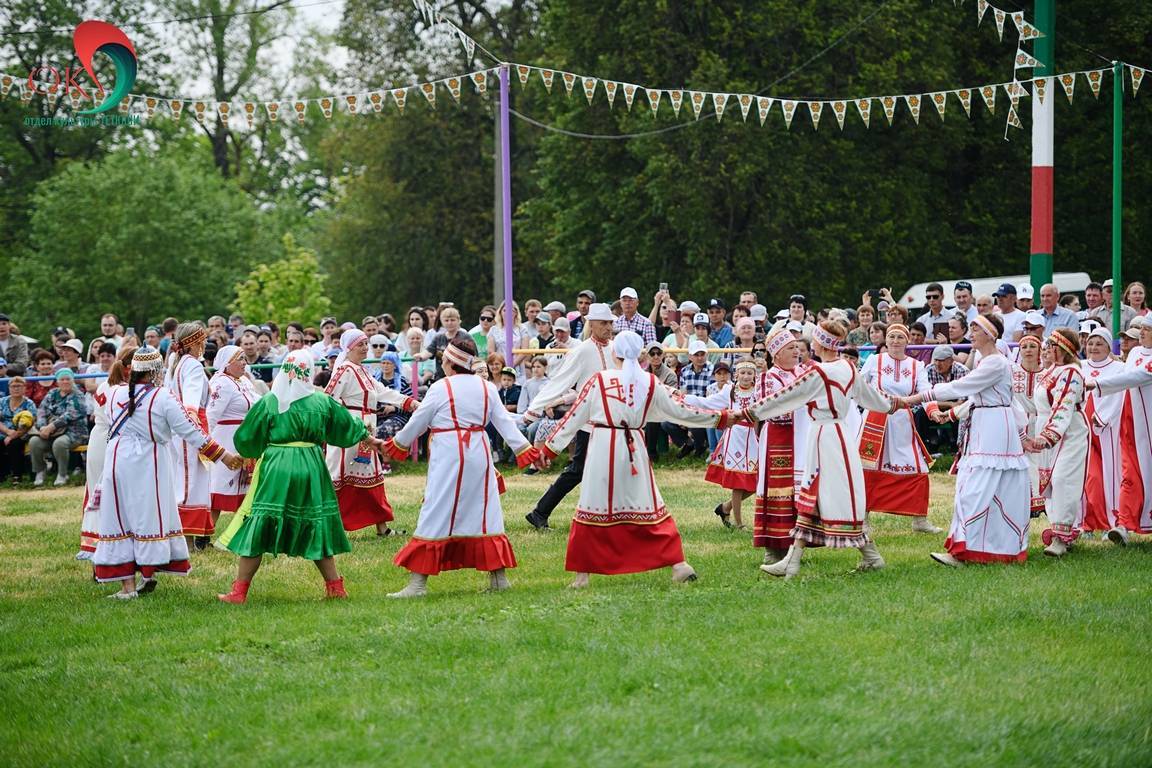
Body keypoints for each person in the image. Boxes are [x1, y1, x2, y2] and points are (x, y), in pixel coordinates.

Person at [535, 331, 734, 588]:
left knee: (594, 505)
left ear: (614, 352)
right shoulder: (649, 381)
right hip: (634, 450)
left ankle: (582, 576)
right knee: (647, 504)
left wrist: (548, 450)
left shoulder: (599, 380)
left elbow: (573, 417)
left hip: (603, 449)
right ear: (639, 353)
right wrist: (720, 418)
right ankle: (679, 565)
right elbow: (682, 409)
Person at [217, 350, 385, 604]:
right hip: (311, 466)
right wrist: (370, 439)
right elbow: (346, 425)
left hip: (278, 466)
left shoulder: (270, 401)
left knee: (261, 521)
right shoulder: (321, 401)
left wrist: (247, 452)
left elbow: (248, 436)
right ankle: (335, 587)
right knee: (315, 521)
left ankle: (239, 592)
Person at [380, 337, 539, 598]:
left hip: (449, 453)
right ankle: (498, 579)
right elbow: (504, 423)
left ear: (452, 363)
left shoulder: (440, 387)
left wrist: (396, 444)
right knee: (485, 510)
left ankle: (417, 585)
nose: (441, 363)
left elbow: (420, 420)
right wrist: (525, 450)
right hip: (478, 451)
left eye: (444, 359)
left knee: (436, 508)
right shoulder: (487, 387)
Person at [748, 321, 899, 579]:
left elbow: (785, 397)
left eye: (813, 340)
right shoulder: (849, 368)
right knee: (820, 495)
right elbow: (873, 399)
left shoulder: (816, 372)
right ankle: (794, 561)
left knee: (823, 494)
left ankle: (869, 556)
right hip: (839, 434)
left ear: (820, 343)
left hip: (822, 435)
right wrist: (897, 404)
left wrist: (749, 411)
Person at [94, 346, 240, 599]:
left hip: (117, 460)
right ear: (156, 372)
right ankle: (148, 572)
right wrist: (223, 456)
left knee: (121, 518)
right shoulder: (163, 397)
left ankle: (127, 586)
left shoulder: (115, 392)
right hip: (148, 462)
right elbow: (191, 431)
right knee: (148, 517)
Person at [905, 314, 1031, 567]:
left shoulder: (995, 363)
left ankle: (965, 550)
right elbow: (975, 397)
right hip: (987, 424)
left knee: (976, 488)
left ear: (990, 334)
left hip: (995, 429)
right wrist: (950, 413)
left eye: (976, 329)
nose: (971, 334)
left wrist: (915, 398)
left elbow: (961, 387)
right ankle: (980, 548)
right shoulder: (988, 362)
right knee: (981, 487)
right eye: (971, 329)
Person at [522, 303, 619, 530]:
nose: (608, 327)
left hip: (612, 421)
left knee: (609, 469)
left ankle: (610, 516)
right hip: (590, 422)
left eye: (610, 323)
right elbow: (560, 381)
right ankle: (540, 512)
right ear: (591, 324)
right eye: (604, 323)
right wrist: (535, 409)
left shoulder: (615, 348)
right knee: (578, 470)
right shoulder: (582, 351)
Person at [325, 328, 418, 536]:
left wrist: (409, 402)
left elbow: (382, 391)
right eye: (361, 344)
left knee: (372, 476)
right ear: (349, 348)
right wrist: (345, 424)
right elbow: (328, 400)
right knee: (340, 475)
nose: (365, 348)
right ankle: (331, 527)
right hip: (349, 433)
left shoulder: (361, 370)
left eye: (366, 343)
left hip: (367, 431)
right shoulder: (344, 370)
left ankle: (382, 527)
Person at [857, 324, 940, 532]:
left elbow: (925, 391)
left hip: (903, 422)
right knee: (868, 468)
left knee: (918, 468)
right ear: (885, 340)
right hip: (875, 421)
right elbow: (857, 385)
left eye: (900, 337)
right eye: (891, 337)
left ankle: (919, 520)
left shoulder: (916, 365)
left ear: (907, 341)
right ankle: (863, 519)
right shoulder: (875, 361)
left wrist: (933, 411)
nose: (895, 341)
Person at [1018, 329, 1089, 557]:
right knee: (1048, 482)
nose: (1046, 348)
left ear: (1062, 349)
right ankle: (1059, 531)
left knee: (1063, 480)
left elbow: (1063, 407)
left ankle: (1061, 536)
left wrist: (1046, 437)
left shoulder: (1071, 372)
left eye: (1051, 345)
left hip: (1069, 434)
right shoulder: (1051, 371)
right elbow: (1037, 406)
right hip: (1046, 430)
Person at [749, 330, 805, 565]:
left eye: (797, 347)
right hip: (779, 440)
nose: (797, 351)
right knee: (777, 490)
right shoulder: (768, 378)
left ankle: (795, 545)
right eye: (791, 348)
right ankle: (773, 547)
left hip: (801, 438)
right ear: (777, 353)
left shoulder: (803, 373)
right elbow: (765, 409)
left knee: (798, 489)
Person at [78, 345, 135, 560]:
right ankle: (105, 542)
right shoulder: (122, 389)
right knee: (109, 492)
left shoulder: (104, 385)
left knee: (95, 489)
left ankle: (94, 541)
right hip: (112, 438)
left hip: (98, 438)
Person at [164, 322, 215, 545]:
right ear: (195, 342)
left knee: (193, 476)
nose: (204, 344)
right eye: (202, 341)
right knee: (188, 479)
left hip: (179, 426)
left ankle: (197, 533)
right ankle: (183, 535)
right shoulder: (191, 365)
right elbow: (191, 397)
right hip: (188, 426)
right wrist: (192, 418)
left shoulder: (177, 363)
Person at [696, 360, 760, 529]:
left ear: (755, 375)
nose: (746, 376)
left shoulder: (758, 392)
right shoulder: (730, 391)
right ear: (736, 375)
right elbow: (707, 403)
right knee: (738, 482)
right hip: (735, 437)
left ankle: (725, 507)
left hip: (752, 438)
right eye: (743, 373)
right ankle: (739, 524)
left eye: (750, 373)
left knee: (757, 480)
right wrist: (685, 400)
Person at [206, 345, 259, 532]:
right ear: (228, 362)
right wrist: (205, 446)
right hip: (225, 441)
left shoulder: (244, 381)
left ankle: (241, 533)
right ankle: (204, 536)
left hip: (243, 441)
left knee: (243, 488)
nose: (245, 363)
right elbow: (210, 415)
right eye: (240, 359)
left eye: (245, 358)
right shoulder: (221, 383)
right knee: (219, 488)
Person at [1081, 328, 1125, 536]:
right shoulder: (1079, 367)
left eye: (1099, 343)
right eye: (1091, 343)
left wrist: (1102, 418)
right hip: (1081, 429)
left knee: (1110, 475)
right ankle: (1085, 522)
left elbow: (1120, 393)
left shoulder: (1119, 368)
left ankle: (1112, 521)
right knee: (1087, 477)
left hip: (1107, 429)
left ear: (1108, 346)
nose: (1094, 347)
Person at [29, 369, 88, 487]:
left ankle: (62, 474)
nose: (65, 382)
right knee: (34, 442)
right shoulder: (52, 393)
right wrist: (42, 427)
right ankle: (40, 471)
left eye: (68, 379)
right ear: (57, 381)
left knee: (59, 444)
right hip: (49, 432)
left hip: (75, 432)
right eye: (62, 379)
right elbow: (41, 411)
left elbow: (71, 414)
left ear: (73, 381)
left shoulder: (78, 395)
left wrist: (51, 426)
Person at [0, 376, 36, 483]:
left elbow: (30, 423)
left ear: (25, 388)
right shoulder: (2, 401)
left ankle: (17, 476)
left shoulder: (29, 404)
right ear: (9, 388)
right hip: (3, 431)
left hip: (22, 433)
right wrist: (7, 432)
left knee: (14, 444)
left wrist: (13, 435)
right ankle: (2, 475)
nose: (16, 389)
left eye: (19, 386)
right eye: (13, 386)